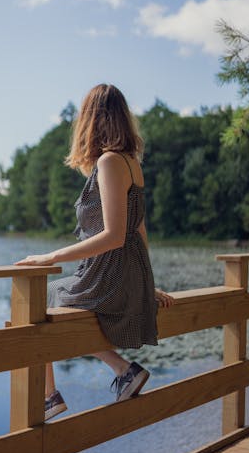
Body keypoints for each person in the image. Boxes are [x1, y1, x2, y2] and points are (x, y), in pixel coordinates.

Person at [15, 83, 174, 420]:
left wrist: (51, 256)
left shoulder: (110, 163)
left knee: (42, 298)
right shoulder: (131, 162)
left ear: (91, 120)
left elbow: (116, 235)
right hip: (123, 274)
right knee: (56, 301)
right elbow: (139, 228)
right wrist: (146, 285)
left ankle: (50, 395)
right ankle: (121, 371)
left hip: (111, 273)